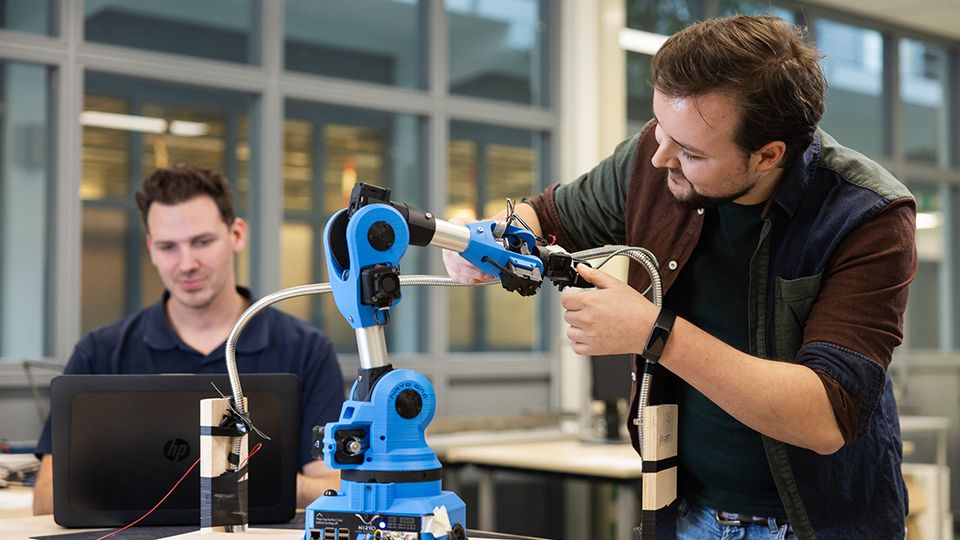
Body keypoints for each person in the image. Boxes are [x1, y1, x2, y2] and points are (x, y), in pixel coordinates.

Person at [444, 15, 916, 540]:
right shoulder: (654, 156)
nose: (661, 156)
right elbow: (547, 218)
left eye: (690, 152)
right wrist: (480, 240)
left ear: (768, 155)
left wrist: (653, 333)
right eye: (661, 131)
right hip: (681, 513)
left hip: (819, 525)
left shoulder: (867, 215)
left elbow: (825, 416)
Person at [33, 164, 345, 514]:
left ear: (237, 234)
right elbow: (47, 499)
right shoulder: (99, 353)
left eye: (202, 241)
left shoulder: (306, 350)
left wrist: (260, 480)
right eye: (168, 246)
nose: (186, 263)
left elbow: (333, 486)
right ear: (151, 248)